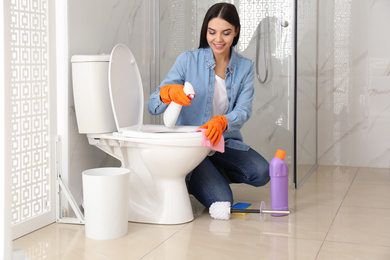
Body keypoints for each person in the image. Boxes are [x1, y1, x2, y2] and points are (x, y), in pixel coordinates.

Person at [148, 3, 270, 219]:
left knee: (261, 172)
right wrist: (167, 92)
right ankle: (192, 174)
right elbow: (153, 105)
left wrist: (222, 122)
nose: (218, 40)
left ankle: (207, 172)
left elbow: (243, 110)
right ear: (206, 31)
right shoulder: (188, 60)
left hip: (223, 142)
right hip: (192, 146)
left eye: (226, 33)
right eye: (212, 32)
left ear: (236, 32)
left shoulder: (246, 67)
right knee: (223, 201)